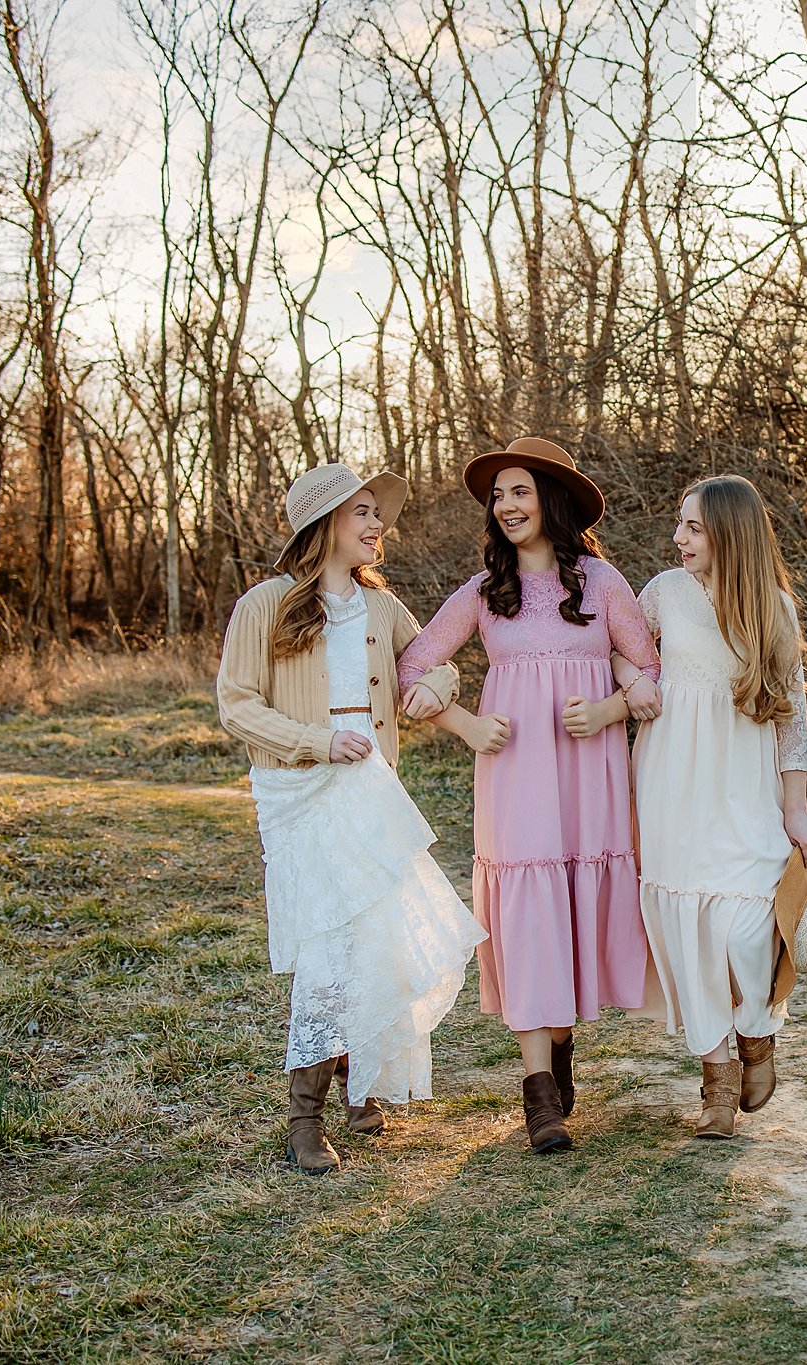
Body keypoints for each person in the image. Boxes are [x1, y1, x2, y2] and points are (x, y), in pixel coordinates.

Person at [217, 463, 487, 1175]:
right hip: (300, 789)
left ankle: (360, 1084)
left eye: (378, 514)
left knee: (377, 932)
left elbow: (435, 660)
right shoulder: (265, 605)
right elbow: (237, 704)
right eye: (361, 512)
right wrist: (317, 742)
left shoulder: (380, 606)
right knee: (327, 945)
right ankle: (303, 1119)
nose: (377, 526)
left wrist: (431, 686)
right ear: (324, 522)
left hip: (370, 784)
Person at [397, 437, 663, 1154]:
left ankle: (561, 1044)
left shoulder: (603, 584)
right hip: (515, 772)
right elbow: (413, 667)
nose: (506, 505)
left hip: (588, 771)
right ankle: (538, 1092)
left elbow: (652, 672)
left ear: (552, 500)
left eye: (519, 491)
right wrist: (464, 722)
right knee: (526, 904)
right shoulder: (485, 593)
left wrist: (608, 710)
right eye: (498, 496)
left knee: (573, 899)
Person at [615, 474, 807, 1139]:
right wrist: (634, 679)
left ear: (729, 532)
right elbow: (619, 648)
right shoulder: (662, 595)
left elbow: (791, 718)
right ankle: (716, 1086)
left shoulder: (774, 610)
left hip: (744, 784)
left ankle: (757, 1032)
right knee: (687, 930)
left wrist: (797, 807)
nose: (678, 538)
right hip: (672, 780)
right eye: (680, 524)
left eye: (693, 527)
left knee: (745, 927)